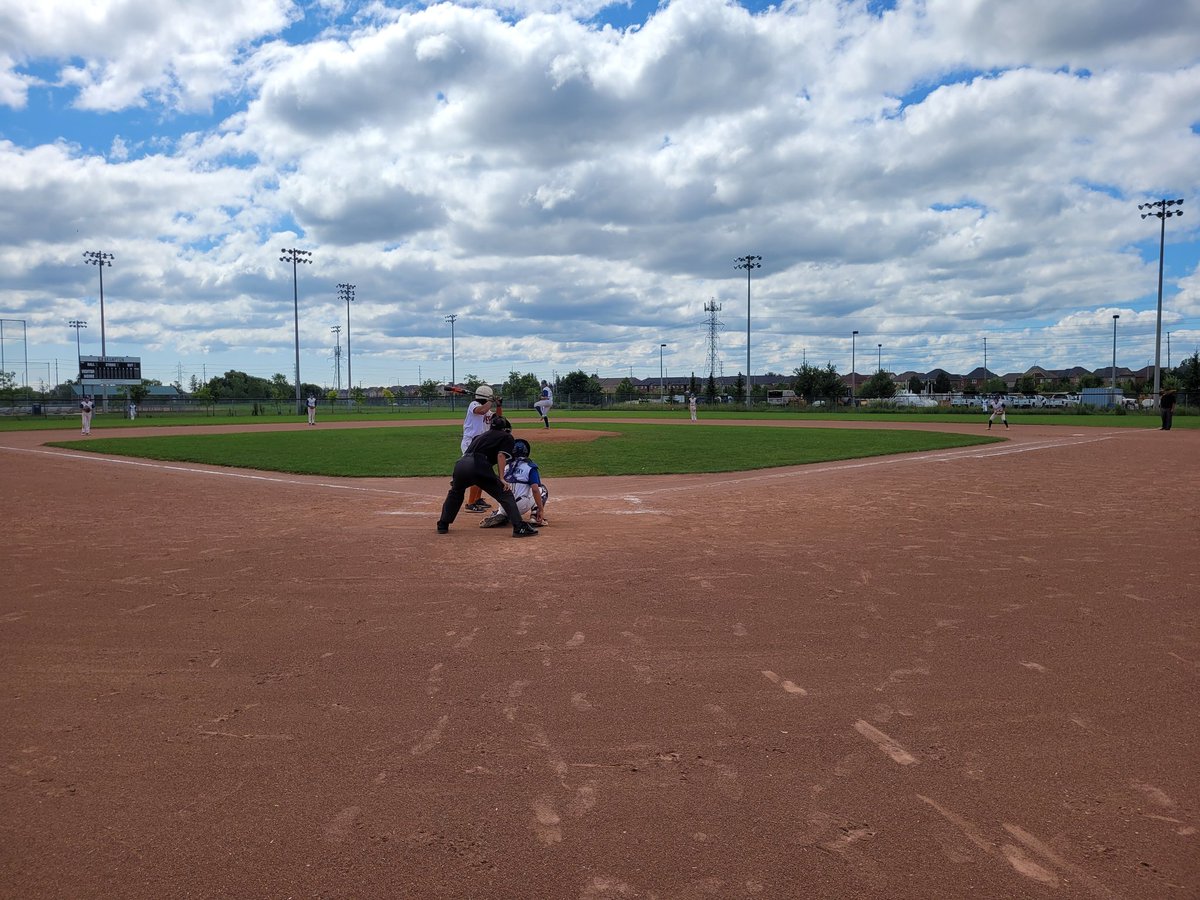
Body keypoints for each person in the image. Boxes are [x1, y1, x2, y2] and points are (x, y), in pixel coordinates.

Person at [437, 416, 539, 538]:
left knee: (455, 493)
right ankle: (519, 527)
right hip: (478, 464)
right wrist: (502, 478)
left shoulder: (480, 436)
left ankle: (443, 524)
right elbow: (501, 455)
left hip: (461, 464)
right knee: (505, 493)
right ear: (505, 429)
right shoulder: (506, 436)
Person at [481, 437, 549, 528]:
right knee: (542, 489)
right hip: (521, 506)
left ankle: (500, 513)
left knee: (507, 490)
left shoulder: (505, 466)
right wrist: (541, 510)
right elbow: (535, 489)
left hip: (505, 505)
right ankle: (535, 516)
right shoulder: (530, 467)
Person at [461, 385, 497, 512]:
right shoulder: (474, 404)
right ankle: (470, 503)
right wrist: (491, 401)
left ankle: (477, 499)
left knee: (482, 472)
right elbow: (481, 411)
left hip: (482, 444)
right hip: (471, 443)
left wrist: (498, 405)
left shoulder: (487, 409)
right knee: (476, 472)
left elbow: (498, 419)